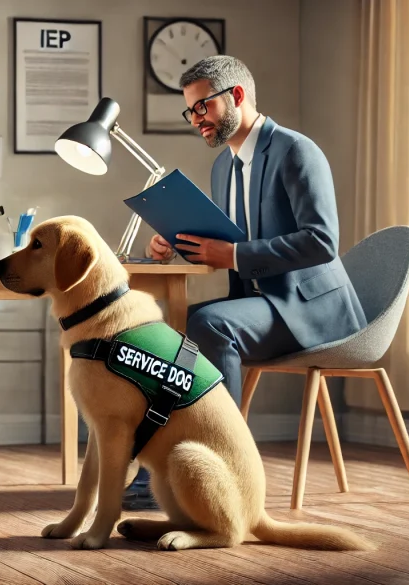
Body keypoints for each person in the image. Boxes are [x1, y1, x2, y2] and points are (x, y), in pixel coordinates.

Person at [123, 55, 368, 510]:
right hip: (259, 304)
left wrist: (232, 255)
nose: (196, 119)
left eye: (202, 107)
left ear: (236, 96)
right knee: (164, 332)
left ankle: (226, 472)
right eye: (190, 111)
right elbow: (229, 241)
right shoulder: (223, 167)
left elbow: (321, 241)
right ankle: (159, 470)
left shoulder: (296, 150)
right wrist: (177, 243)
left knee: (211, 325)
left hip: (311, 307)